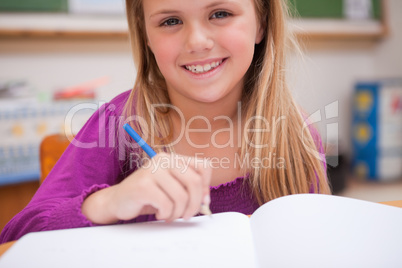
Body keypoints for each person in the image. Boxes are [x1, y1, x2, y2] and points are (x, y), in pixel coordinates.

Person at [0, 0, 331, 243]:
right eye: (171, 21)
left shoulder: (295, 136)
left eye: (220, 14)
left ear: (261, 22)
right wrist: (108, 203)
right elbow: (13, 240)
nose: (197, 42)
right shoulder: (116, 127)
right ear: (146, 34)